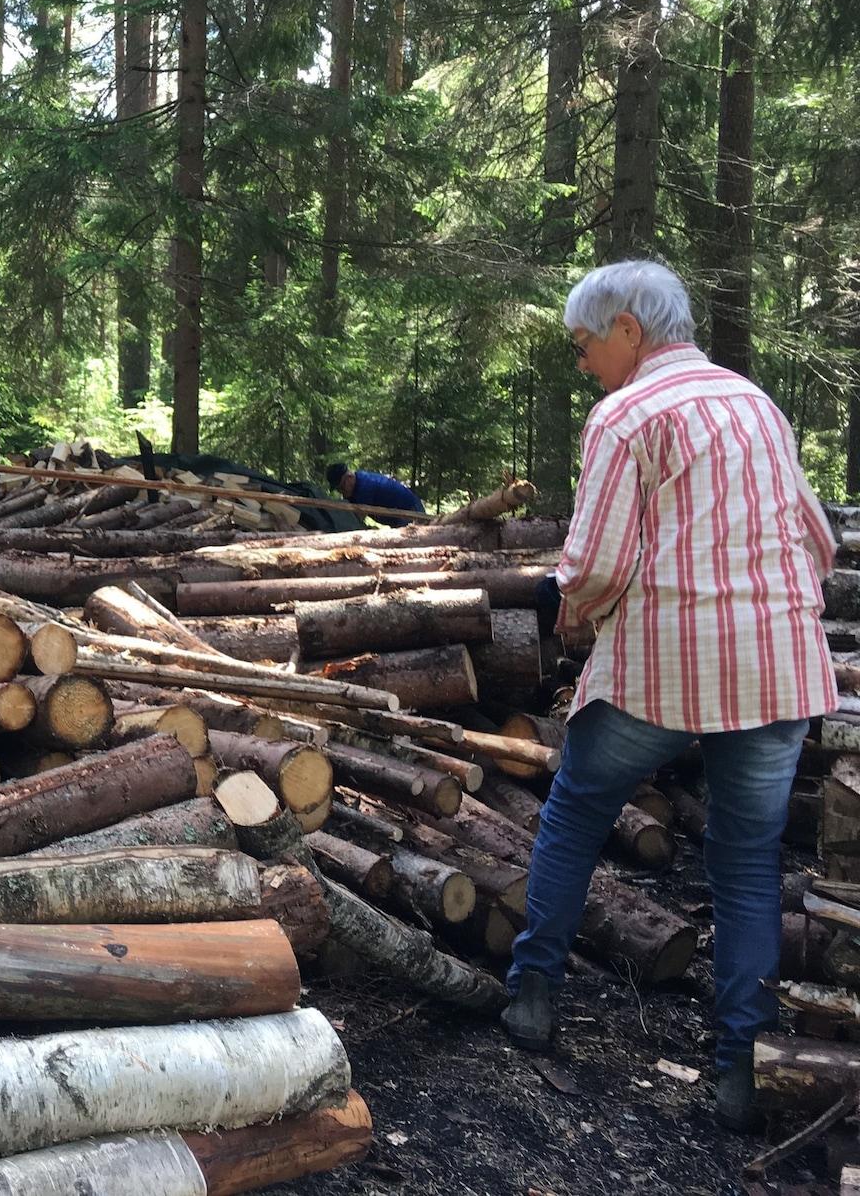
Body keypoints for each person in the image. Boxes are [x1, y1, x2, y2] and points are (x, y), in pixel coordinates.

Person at [500, 260, 838, 1132]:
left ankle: (533, 995)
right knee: (748, 860)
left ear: (626, 330)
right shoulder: (756, 404)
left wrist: (564, 603)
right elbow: (818, 538)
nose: (582, 364)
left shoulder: (625, 415)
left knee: (575, 813)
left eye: (583, 346)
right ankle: (740, 1065)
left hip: (667, 664)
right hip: (777, 667)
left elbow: (600, 564)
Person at [324, 461, 425, 522]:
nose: (341, 492)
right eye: (338, 489)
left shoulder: (364, 487)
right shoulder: (358, 483)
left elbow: (356, 518)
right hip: (402, 514)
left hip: (411, 511)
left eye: (341, 487)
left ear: (349, 478)